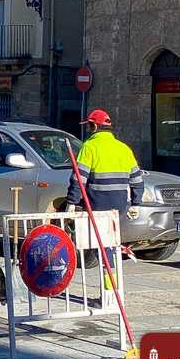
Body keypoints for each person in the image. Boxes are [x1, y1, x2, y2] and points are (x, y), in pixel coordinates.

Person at [66, 109, 142, 288]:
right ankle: (113, 288)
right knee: (111, 246)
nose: (88, 129)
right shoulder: (123, 148)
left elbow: (79, 178)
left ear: (94, 126)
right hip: (120, 206)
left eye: (89, 125)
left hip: (97, 205)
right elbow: (137, 179)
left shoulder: (89, 147)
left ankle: (110, 292)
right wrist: (136, 203)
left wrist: (71, 202)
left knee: (104, 250)